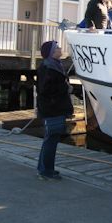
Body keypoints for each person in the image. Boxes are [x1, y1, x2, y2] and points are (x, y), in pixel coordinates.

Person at [36, 40, 73, 180]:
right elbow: (46, 90)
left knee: (51, 139)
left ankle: (45, 168)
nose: (60, 48)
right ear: (52, 52)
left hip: (54, 108)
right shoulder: (48, 67)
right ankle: (46, 171)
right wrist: (65, 88)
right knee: (51, 140)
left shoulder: (53, 65)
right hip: (52, 109)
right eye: (57, 47)